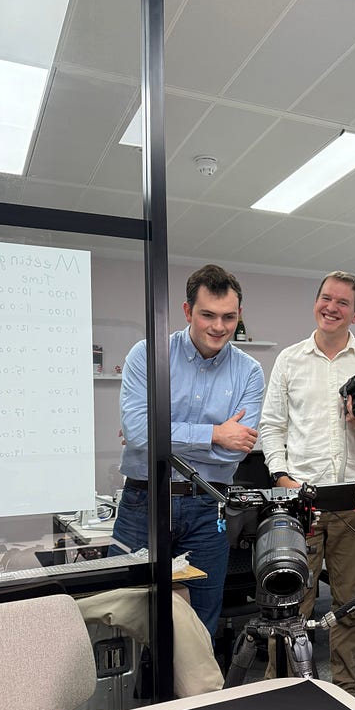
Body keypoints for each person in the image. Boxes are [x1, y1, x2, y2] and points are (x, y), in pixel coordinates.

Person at [259, 270, 355, 695]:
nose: (331, 307)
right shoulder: (290, 358)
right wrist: (282, 477)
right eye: (325, 298)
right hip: (301, 501)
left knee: (350, 605)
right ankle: (281, 690)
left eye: (342, 303)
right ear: (316, 302)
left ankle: (345, 691)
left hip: (354, 504)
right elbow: (271, 426)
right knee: (289, 605)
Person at [112, 263, 264, 639]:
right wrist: (215, 434)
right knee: (124, 612)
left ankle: (194, 699)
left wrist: (161, 436)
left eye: (229, 317)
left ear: (239, 315)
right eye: (207, 315)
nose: (219, 326)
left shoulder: (249, 372)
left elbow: (235, 453)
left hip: (206, 506)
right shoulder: (147, 354)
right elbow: (138, 433)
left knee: (200, 623)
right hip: (143, 502)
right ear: (186, 312)